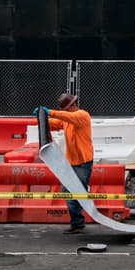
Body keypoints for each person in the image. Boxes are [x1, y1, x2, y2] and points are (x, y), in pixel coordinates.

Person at [46, 92, 93, 234]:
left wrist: (50, 112)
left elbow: (65, 117)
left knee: (76, 193)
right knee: (68, 192)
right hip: (72, 161)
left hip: (82, 163)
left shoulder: (81, 116)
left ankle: (78, 223)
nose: (64, 112)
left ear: (73, 105)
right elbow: (55, 124)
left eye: (66, 109)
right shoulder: (68, 118)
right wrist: (42, 118)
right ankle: (77, 223)